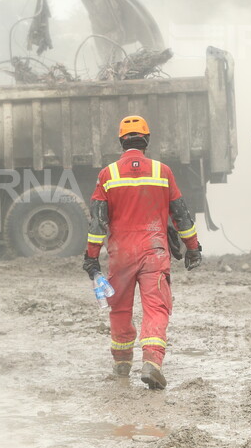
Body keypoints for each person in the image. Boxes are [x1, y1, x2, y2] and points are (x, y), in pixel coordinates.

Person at [83, 115, 202, 390]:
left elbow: (97, 223)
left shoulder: (108, 174)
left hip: (121, 254)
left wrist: (91, 258)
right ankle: (152, 363)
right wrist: (193, 248)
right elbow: (181, 216)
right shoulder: (163, 172)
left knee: (120, 308)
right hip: (154, 251)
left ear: (121, 141)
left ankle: (122, 364)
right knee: (156, 308)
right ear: (146, 140)